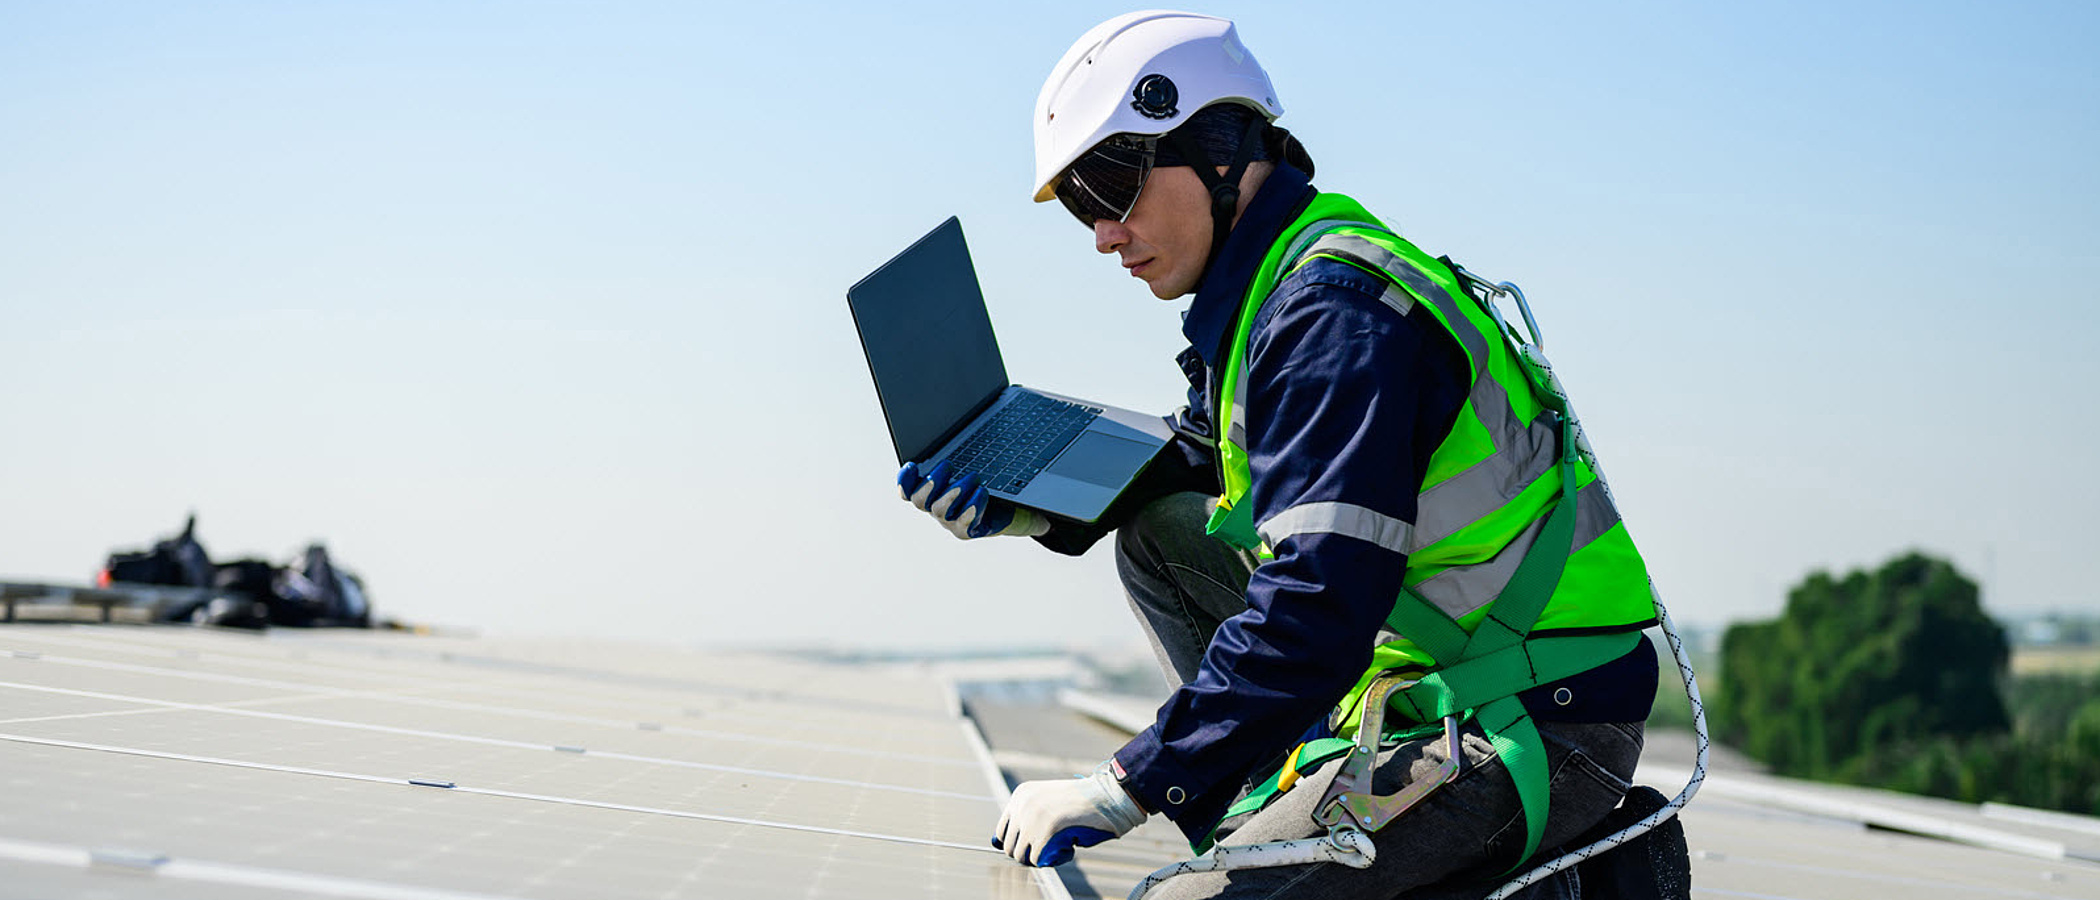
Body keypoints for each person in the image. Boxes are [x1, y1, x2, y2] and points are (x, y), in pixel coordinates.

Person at [899, 11, 1662, 898]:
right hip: (1424, 678)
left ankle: (1560, 884)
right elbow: (1200, 471)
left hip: (1526, 719)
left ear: (1220, 151)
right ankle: (1278, 818)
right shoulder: (1273, 294)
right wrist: (1034, 502)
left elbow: (1318, 608)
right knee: (1161, 531)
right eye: (1080, 206)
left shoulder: (1333, 318)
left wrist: (1126, 785)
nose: (1103, 234)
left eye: (1112, 186)